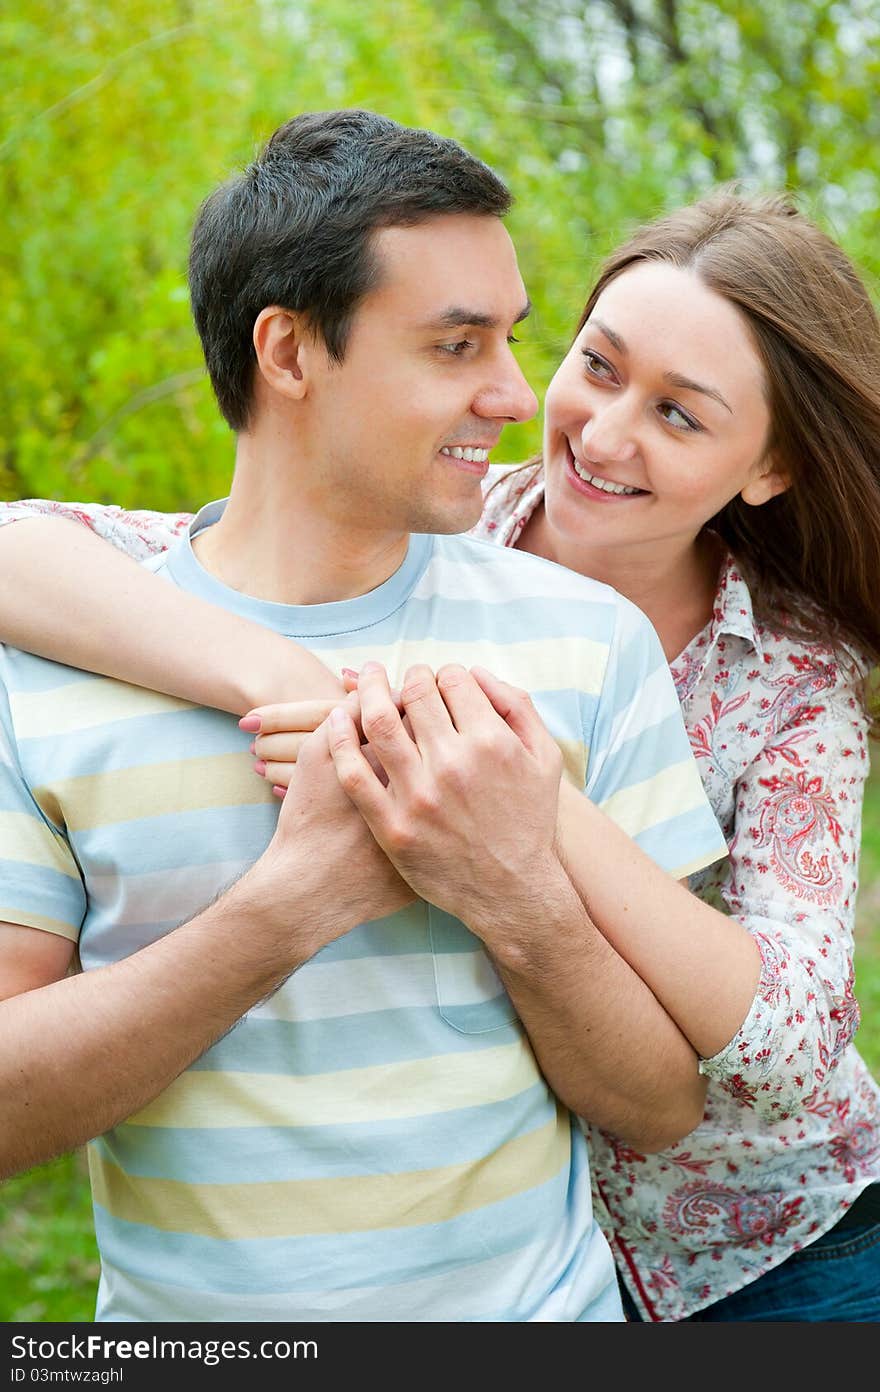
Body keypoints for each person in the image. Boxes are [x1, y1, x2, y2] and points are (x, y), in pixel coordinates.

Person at [3, 184, 879, 1324]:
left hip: (754, 1255)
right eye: (599, 368)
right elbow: (29, 550)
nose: (602, 434)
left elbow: (786, 1056)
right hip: (517, 1252)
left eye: (680, 415)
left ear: (768, 468)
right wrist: (292, 681)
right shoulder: (425, 511)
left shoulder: (794, 683)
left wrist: (515, 799)